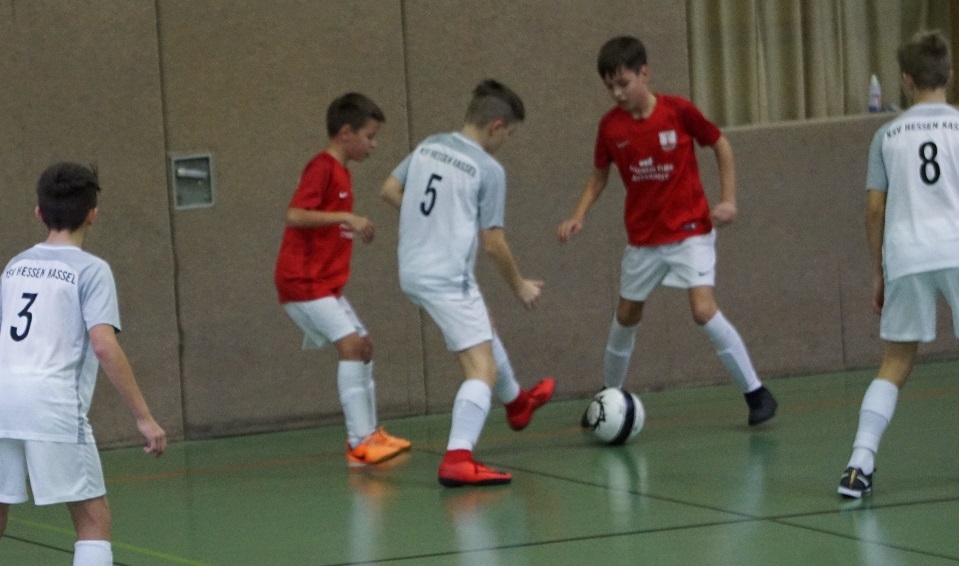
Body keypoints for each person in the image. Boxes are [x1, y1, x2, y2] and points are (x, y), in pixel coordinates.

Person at [557, 36, 777, 428]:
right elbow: (599, 175)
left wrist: (728, 199)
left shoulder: (678, 111)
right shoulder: (610, 127)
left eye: (623, 83)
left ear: (645, 73)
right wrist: (578, 215)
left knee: (703, 310)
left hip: (690, 231)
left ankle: (756, 393)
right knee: (626, 314)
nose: (617, 93)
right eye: (609, 86)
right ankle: (607, 398)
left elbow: (721, 145)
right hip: (643, 239)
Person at [837, 30, 959, 499]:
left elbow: (874, 210)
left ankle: (859, 464)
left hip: (907, 255)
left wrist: (878, 271)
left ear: (906, 79)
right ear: (949, 74)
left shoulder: (886, 136)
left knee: (895, 360)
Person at [381, 79, 555, 487]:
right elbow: (493, 243)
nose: (506, 142)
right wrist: (520, 286)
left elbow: (389, 190)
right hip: (446, 276)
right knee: (480, 369)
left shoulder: (429, 145)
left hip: (413, 269)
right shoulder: (488, 169)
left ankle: (518, 403)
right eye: (509, 134)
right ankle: (458, 457)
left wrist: (429, 221)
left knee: (482, 324)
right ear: (496, 126)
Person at [0, 162, 167, 566]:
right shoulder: (91, 270)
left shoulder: (15, 266)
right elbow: (104, 346)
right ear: (93, 214)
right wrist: (144, 417)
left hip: (3, 399)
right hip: (52, 404)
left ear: (39, 212)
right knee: (93, 519)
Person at [275, 92, 411, 468]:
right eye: (369, 136)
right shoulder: (321, 167)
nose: (373, 144)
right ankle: (358, 443)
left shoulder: (342, 173)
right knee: (351, 347)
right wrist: (346, 217)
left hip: (325, 284)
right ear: (346, 133)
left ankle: (370, 434)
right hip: (303, 281)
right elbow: (294, 214)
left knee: (364, 346)